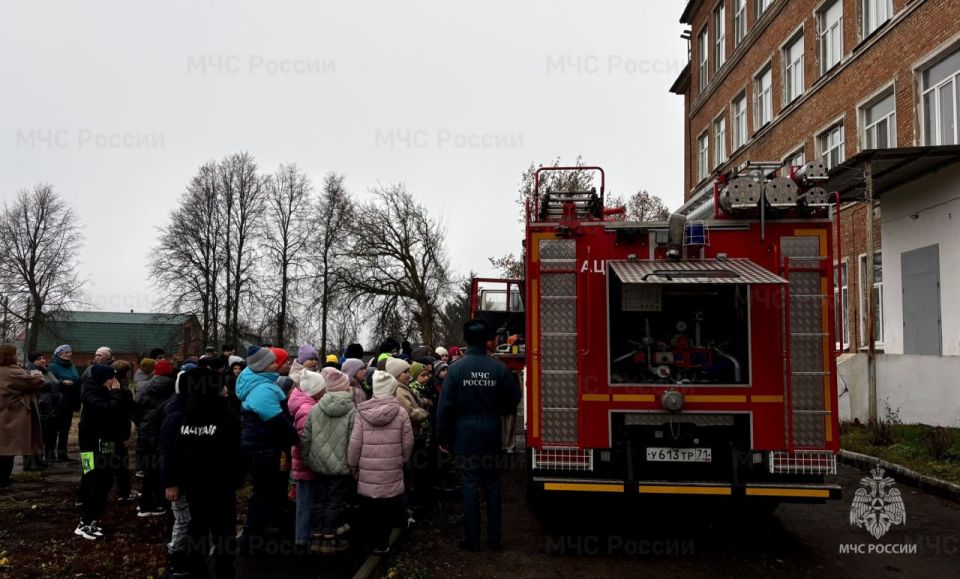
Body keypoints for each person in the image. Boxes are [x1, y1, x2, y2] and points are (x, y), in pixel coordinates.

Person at [437, 319, 521, 552]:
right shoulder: (499, 369)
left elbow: (445, 407)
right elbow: (513, 399)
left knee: (469, 486)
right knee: (493, 486)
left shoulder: (455, 370)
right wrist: (498, 410)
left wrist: (442, 437)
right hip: (491, 433)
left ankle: (472, 540)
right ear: (488, 340)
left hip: (464, 436)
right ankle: (495, 539)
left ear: (465, 339)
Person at [165, 367, 244, 577]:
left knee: (198, 527)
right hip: (220, 486)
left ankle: (196, 569)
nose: (226, 387)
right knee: (222, 532)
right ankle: (222, 571)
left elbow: (178, 451)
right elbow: (236, 451)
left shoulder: (187, 413)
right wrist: (237, 478)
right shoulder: (225, 415)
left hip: (195, 486)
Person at [236, 346, 299, 548]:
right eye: (272, 362)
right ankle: (251, 537)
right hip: (262, 447)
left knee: (267, 490)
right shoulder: (262, 389)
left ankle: (265, 526)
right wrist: (295, 438)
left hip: (262, 445)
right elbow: (276, 421)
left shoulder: (260, 382)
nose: (276, 365)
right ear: (263, 367)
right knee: (263, 492)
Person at [347, 371, 413, 554]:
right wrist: (402, 459)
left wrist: (352, 465)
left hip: (368, 471)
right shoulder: (401, 412)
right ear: (392, 390)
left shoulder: (362, 412)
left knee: (369, 509)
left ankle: (369, 542)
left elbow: (355, 443)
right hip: (392, 469)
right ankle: (382, 543)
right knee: (388, 508)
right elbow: (408, 442)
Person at [75, 364, 134, 539]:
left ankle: (92, 518)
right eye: (111, 378)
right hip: (92, 445)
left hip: (104, 444)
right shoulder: (91, 393)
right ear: (103, 379)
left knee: (104, 480)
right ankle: (85, 520)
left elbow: (123, 411)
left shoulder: (102, 392)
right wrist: (115, 393)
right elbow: (108, 409)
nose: (114, 382)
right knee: (94, 478)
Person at [302, 368, 357, 554]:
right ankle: (330, 538)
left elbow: (306, 437)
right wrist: (353, 465)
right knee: (335, 501)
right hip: (341, 465)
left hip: (318, 464)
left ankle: (316, 537)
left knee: (319, 500)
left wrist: (307, 459)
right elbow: (353, 441)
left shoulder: (315, 408)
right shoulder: (352, 410)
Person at [288, 367, 326, 547]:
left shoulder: (308, 406)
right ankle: (302, 537)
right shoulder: (307, 410)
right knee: (305, 501)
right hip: (306, 463)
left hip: (307, 461)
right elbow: (305, 440)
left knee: (307, 499)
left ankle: (305, 533)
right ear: (315, 391)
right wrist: (310, 460)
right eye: (322, 388)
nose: (325, 390)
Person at [0, 344, 44, 488]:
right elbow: (36, 382)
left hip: (4, 413)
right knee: (7, 449)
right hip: (9, 416)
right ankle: (3, 479)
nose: (17, 356)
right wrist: (37, 373)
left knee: (5, 449)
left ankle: (4, 477)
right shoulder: (12, 372)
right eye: (14, 354)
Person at [137, 359, 176, 517]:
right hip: (159, 434)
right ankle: (157, 502)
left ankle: (146, 504)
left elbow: (137, 410)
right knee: (159, 471)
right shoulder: (170, 387)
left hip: (146, 433)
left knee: (150, 472)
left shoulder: (146, 386)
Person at [24, 352, 61, 470]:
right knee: (36, 435)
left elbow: (55, 384)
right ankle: (31, 461)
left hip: (52, 406)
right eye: (39, 359)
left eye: (44, 358)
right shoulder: (31, 371)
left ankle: (44, 458)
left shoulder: (47, 371)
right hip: (40, 406)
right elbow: (39, 385)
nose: (43, 360)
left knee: (49, 433)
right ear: (33, 361)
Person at [47, 344, 81, 462]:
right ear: (58, 354)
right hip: (57, 402)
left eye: (70, 352)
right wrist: (62, 382)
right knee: (53, 429)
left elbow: (77, 380)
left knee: (65, 429)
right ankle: (50, 455)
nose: (68, 354)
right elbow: (49, 382)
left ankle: (62, 453)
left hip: (70, 401)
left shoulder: (72, 366)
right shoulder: (52, 366)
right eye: (65, 352)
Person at [110, 361, 137, 502]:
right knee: (121, 463)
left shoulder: (106, 387)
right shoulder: (123, 390)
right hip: (119, 431)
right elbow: (128, 412)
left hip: (106, 431)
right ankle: (124, 492)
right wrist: (127, 433)